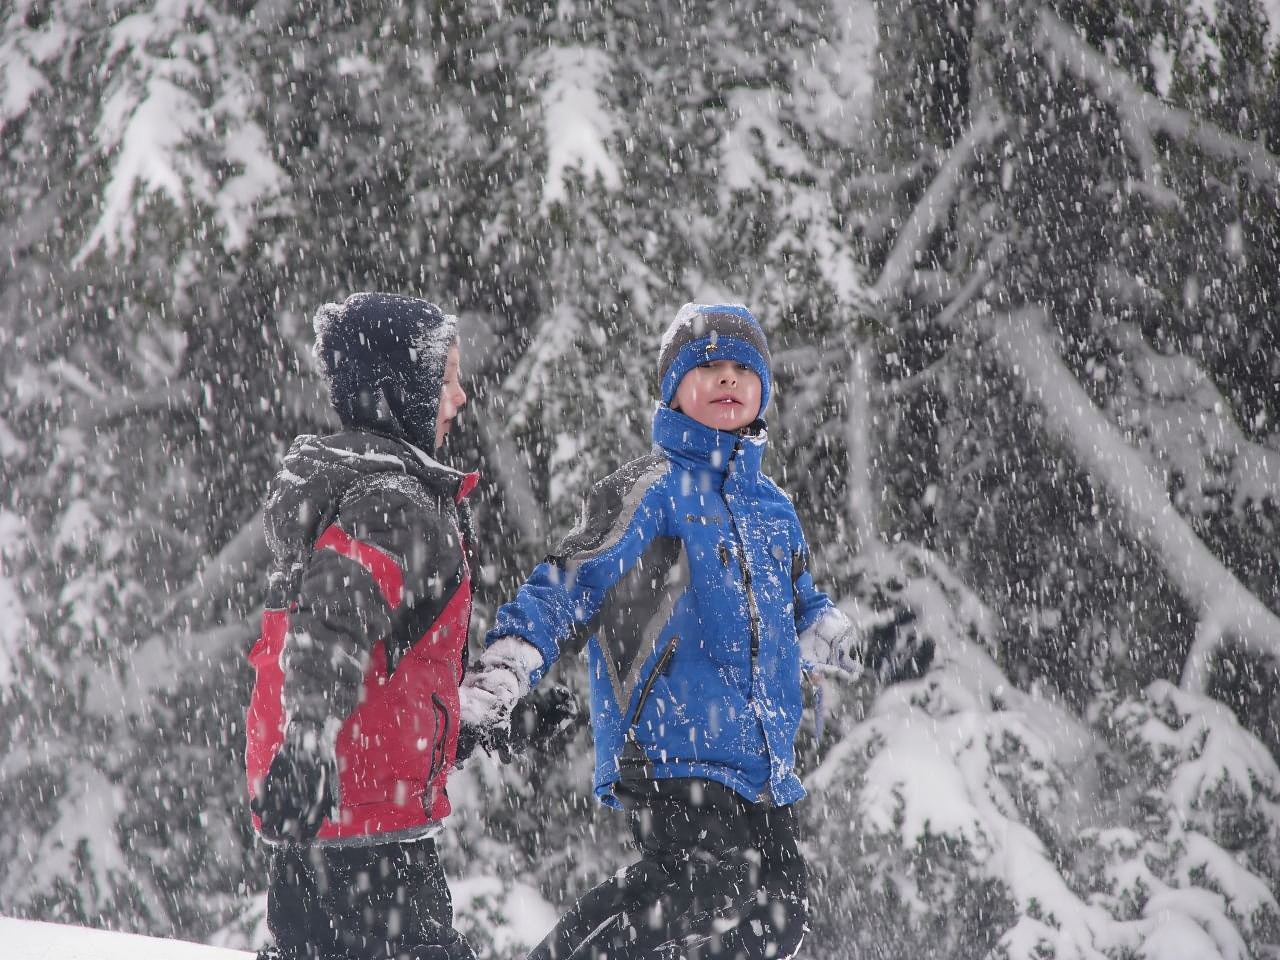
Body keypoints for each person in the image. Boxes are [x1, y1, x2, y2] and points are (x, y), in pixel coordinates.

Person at [458, 303, 934, 960]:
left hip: (760, 754)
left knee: (781, 912)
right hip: (672, 737)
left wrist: (844, 639)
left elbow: (798, 602)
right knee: (701, 881)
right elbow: (572, 580)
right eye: (708, 366)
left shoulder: (773, 508)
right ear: (674, 388)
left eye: (743, 368)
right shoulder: (652, 491)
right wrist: (508, 665)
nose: (727, 379)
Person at [244, 292, 478, 960]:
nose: (458, 396)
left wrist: (481, 714)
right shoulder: (392, 503)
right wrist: (312, 737)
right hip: (369, 827)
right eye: (446, 378)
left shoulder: (347, 492)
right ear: (396, 395)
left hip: (319, 816)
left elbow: (387, 664)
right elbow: (334, 616)